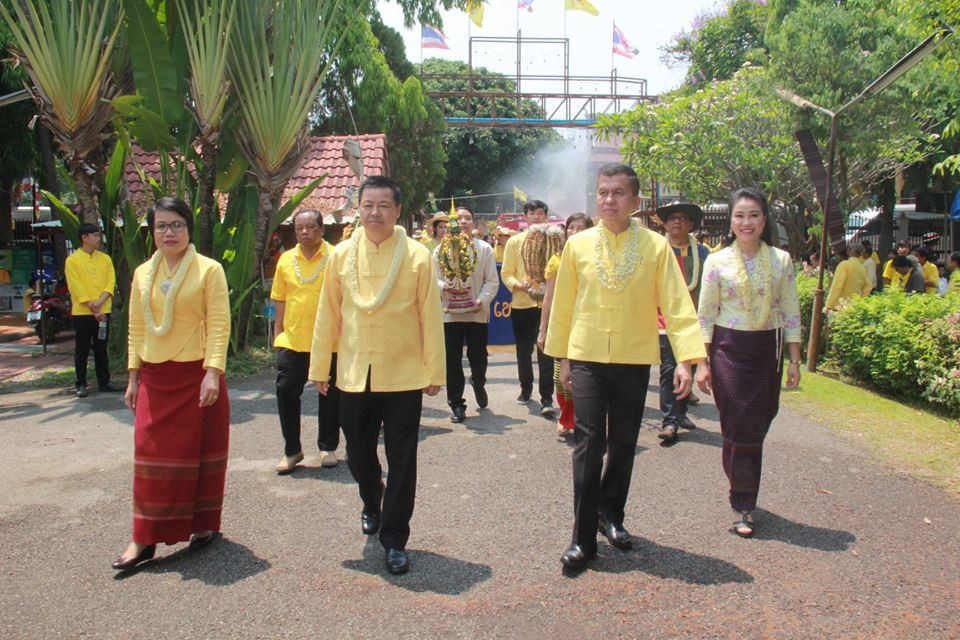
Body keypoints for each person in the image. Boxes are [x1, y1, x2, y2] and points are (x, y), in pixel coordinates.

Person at [545, 164, 706, 574]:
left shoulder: (655, 247)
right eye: (603, 192)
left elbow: (676, 304)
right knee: (588, 442)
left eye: (619, 193)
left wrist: (689, 358)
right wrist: (562, 359)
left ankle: (610, 514)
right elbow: (564, 305)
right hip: (587, 357)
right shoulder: (578, 246)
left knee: (622, 443)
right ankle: (581, 539)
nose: (609, 200)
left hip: (634, 358)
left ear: (635, 202)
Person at [310, 175, 444, 576]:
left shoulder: (418, 256)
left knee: (403, 458)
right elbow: (327, 314)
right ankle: (372, 498)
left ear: (397, 210)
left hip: (403, 375)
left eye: (384, 205)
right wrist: (320, 367)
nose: (375, 213)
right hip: (353, 375)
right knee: (358, 453)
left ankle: (394, 539)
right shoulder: (341, 255)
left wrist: (434, 370)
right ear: (359, 208)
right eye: (368, 205)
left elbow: (431, 319)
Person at [113, 196, 230, 571]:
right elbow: (135, 326)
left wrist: (213, 371)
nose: (169, 232)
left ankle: (203, 525)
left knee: (200, 455)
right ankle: (143, 538)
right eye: (161, 225)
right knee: (150, 458)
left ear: (188, 228)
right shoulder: (143, 274)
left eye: (177, 224)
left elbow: (218, 324)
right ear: (152, 231)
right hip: (155, 378)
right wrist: (133, 376)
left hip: (197, 376)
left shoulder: (209, 270)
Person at [696, 187, 801, 539]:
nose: (746, 222)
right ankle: (745, 504)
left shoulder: (781, 260)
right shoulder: (716, 260)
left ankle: (741, 484)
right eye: (740, 215)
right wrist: (701, 362)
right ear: (731, 221)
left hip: (766, 351)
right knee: (738, 425)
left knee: (755, 425)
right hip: (727, 348)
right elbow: (705, 314)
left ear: (764, 220)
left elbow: (790, 311)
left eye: (753, 215)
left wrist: (794, 359)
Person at [271, 209, 340, 474]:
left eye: (311, 227)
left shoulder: (335, 257)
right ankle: (292, 450)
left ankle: (328, 447)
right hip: (293, 339)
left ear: (322, 229)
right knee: (286, 392)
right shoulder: (286, 260)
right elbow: (280, 297)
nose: (304, 232)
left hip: (329, 340)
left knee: (331, 395)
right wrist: (278, 333)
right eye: (299, 228)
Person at [433, 207, 499, 423]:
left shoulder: (485, 249)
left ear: (473, 222)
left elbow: (492, 281)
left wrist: (481, 300)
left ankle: (478, 383)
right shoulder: (440, 250)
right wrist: (445, 286)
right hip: (450, 314)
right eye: (458, 218)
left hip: (476, 313)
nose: (462, 221)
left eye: (467, 218)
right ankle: (456, 404)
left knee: (478, 358)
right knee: (452, 361)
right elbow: (434, 278)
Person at [655, 201, 712, 444]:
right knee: (670, 369)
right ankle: (669, 421)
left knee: (691, 366)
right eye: (672, 218)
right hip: (663, 319)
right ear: (665, 224)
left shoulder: (703, 253)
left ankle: (681, 413)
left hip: (695, 320)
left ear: (690, 224)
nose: (676, 221)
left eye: (682, 218)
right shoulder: (657, 250)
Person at [537, 212, 593, 437]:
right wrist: (543, 330)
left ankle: (584, 419)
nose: (575, 232)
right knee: (561, 375)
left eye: (581, 228)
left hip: (590, 325)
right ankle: (566, 417)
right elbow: (548, 298)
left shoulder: (597, 259)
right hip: (563, 325)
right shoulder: (556, 260)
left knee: (588, 377)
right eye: (571, 228)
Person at [501, 199, 556, 416]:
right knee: (523, 351)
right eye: (532, 213)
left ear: (546, 216)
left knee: (546, 352)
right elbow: (506, 273)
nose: (536, 217)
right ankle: (526, 388)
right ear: (525, 217)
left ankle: (547, 398)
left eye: (540, 213)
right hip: (522, 304)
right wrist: (519, 287)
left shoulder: (554, 241)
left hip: (546, 304)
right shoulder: (515, 242)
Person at [64, 223, 123, 398]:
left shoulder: (105, 259)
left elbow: (110, 282)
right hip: (83, 312)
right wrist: (93, 306)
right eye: (95, 235)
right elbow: (76, 287)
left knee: (101, 347)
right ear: (85, 237)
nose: (98, 239)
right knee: (82, 348)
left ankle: (104, 381)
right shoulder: (73, 260)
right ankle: (81, 383)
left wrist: (101, 303)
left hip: (104, 310)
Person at [825, 242, 872, 312]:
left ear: (849, 251)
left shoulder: (844, 265)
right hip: (855, 306)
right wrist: (860, 299)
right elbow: (868, 286)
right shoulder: (863, 268)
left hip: (840, 306)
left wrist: (828, 305)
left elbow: (837, 286)